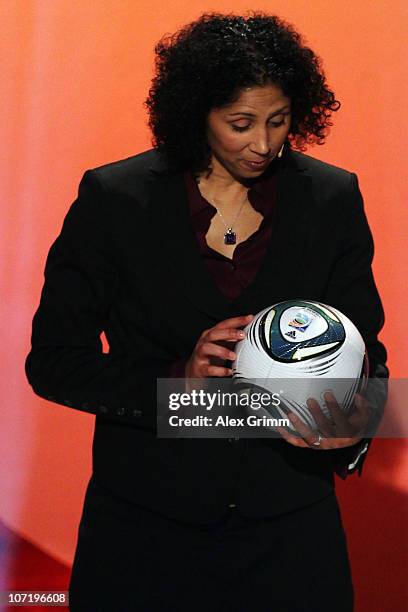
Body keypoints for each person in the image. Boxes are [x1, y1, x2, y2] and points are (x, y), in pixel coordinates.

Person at [25, 12, 388, 612]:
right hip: (145, 533)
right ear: (196, 112)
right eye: (240, 123)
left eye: (279, 120)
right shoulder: (116, 200)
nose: (264, 143)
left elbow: (366, 351)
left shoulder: (331, 197)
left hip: (291, 534)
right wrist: (179, 382)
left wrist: (359, 422)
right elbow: (55, 363)